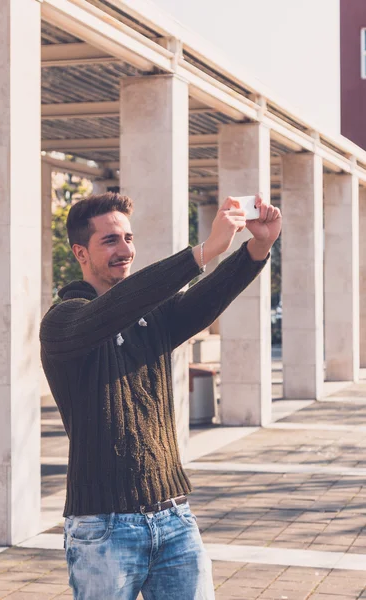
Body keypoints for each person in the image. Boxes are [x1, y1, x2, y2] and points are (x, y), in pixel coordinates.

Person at [40, 192, 282, 600]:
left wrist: (258, 247)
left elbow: (207, 297)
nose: (125, 250)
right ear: (80, 252)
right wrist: (204, 251)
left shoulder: (150, 316)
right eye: (111, 241)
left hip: (175, 518)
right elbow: (113, 310)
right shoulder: (63, 321)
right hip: (102, 527)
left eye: (129, 238)